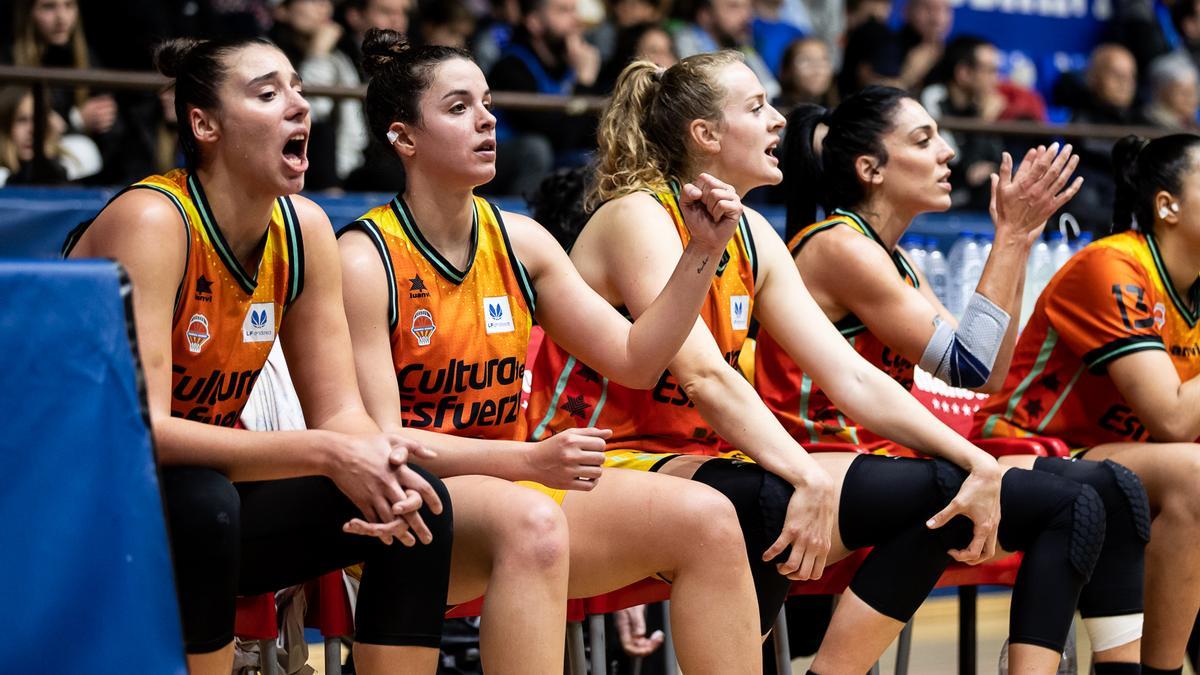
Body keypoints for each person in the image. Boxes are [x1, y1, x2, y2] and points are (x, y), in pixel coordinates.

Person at [527, 53, 1108, 673]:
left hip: (681, 463)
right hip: (587, 461)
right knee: (777, 493)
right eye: (756, 108)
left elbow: (854, 377)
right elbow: (704, 375)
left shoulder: (752, 231)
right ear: (706, 136)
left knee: (945, 485)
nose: (780, 120)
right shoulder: (639, 215)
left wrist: (975, 461)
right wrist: (806, 474)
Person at [338, 29, 763, 673]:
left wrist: (701, 251)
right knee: (531, 519)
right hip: (410, 506)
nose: (487, 120)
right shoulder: (366, 257)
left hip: (518, 487)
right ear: (404, 139)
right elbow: (386, 441)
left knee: (708, 517)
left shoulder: (524, 242)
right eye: (458, 108)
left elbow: (637, 360)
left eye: (486, 103)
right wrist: (529, 458)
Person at [62, 36, 452, 675]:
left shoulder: (304, 229)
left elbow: (341, 413)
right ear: (204, 124)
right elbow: (144, 434)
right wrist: (327, 451)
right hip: (78, 494)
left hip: (196, 494)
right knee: (202, 502)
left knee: (417, 500)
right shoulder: (154, 220)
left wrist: (374, 464)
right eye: (268, 93)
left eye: (298, 89)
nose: (298, 105)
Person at [766, 88, 1150, 674]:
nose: (947, 152)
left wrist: (1017, 242)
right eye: (923, 140)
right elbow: (971, 362)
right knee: (1053, 503)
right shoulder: (839, 247)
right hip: (812, 460)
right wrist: (1013, 236)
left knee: (1115, 492)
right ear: (870, 169)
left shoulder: (893, 258)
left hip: (874, 461)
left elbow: (988, 372)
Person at [976, 133, 1200, 675]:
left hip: (1121, 464)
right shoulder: (1113, 267)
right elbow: (1172, 420)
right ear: (1167, 206)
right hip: (1026, 453)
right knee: (1195, 473)